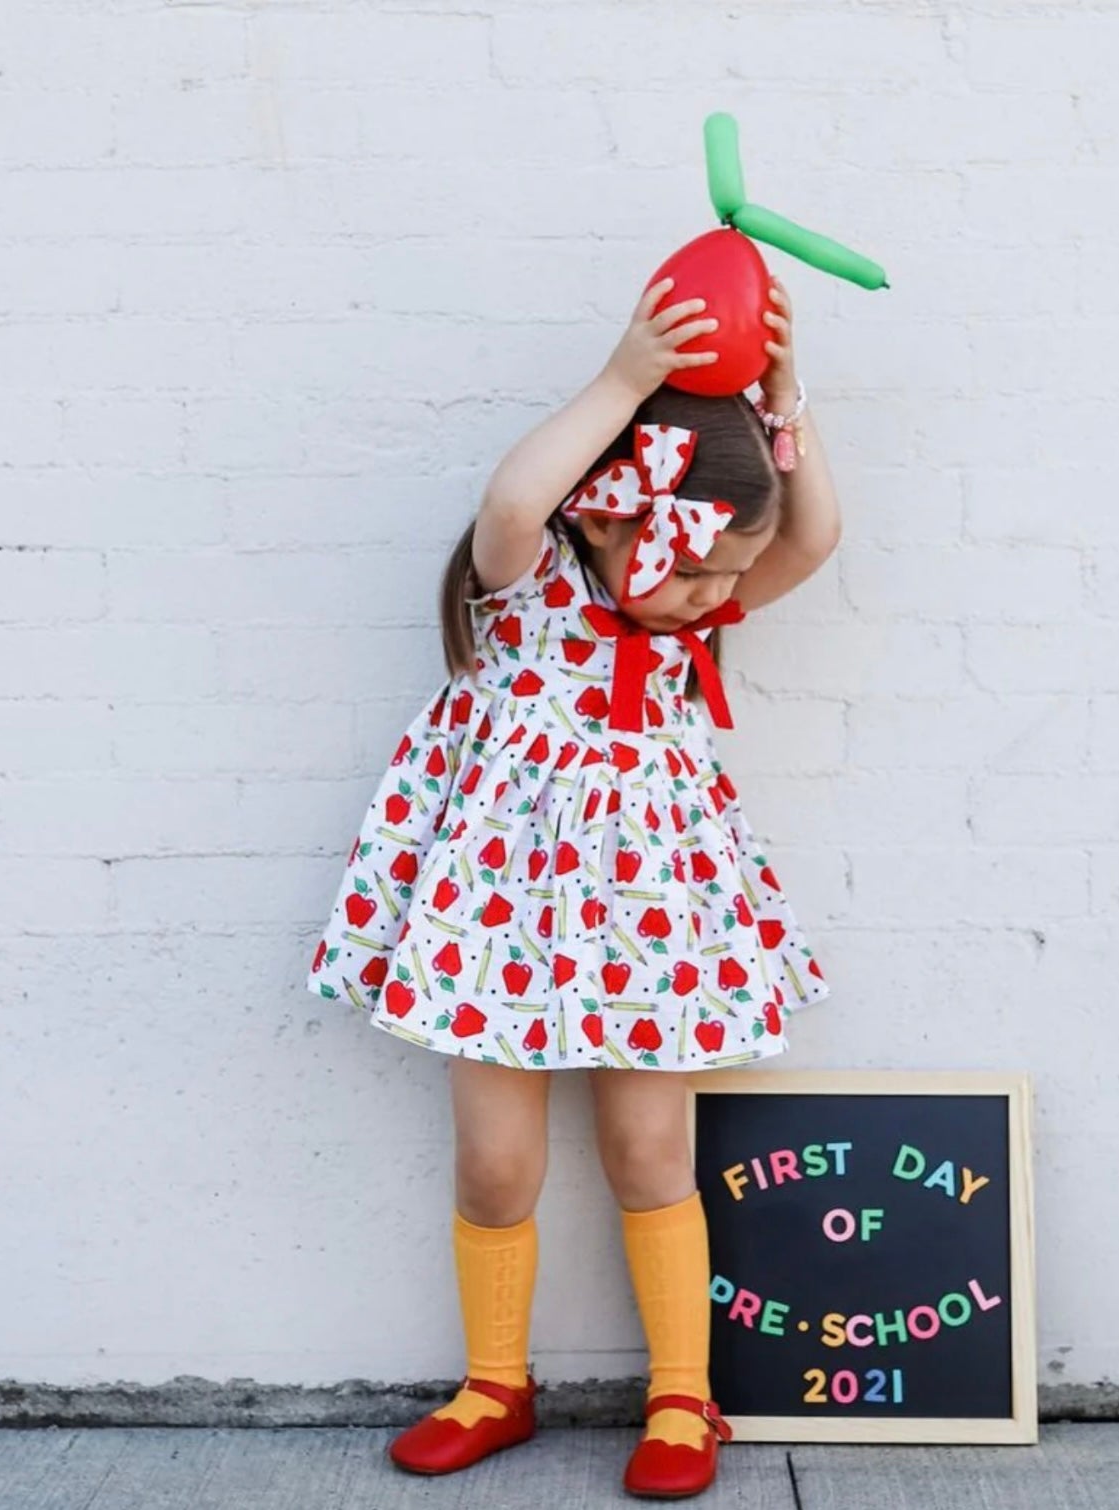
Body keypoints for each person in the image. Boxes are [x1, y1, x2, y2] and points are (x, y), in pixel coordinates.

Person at [306, 272, 841, 1498]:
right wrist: (626, 376)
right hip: (495, 908)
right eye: (699, 575)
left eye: (726, 580)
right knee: (496, 1163)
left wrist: (779, 399)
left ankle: (679, 1396)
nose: (718, 602)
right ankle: (496, 1381)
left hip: (649, 913)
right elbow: (513, 497)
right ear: (611, 521)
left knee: (650, 1148)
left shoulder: (688, 613)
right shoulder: (529, 578)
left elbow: (810, 538)